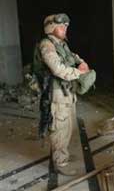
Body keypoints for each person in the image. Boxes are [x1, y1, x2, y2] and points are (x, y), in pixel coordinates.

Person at [35, 13, 92, 176]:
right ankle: (60, 161)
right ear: (51, 28)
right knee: (60, 127)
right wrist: (78, 72)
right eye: (62, 26)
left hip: (67, 91)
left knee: (68, 126)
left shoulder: (61, 44)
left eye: (66, 26)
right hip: (57, 93)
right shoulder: (47, 45)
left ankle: (62, 154)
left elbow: (72, 56)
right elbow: (57, 68)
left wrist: (81, 62)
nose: (65, 28)